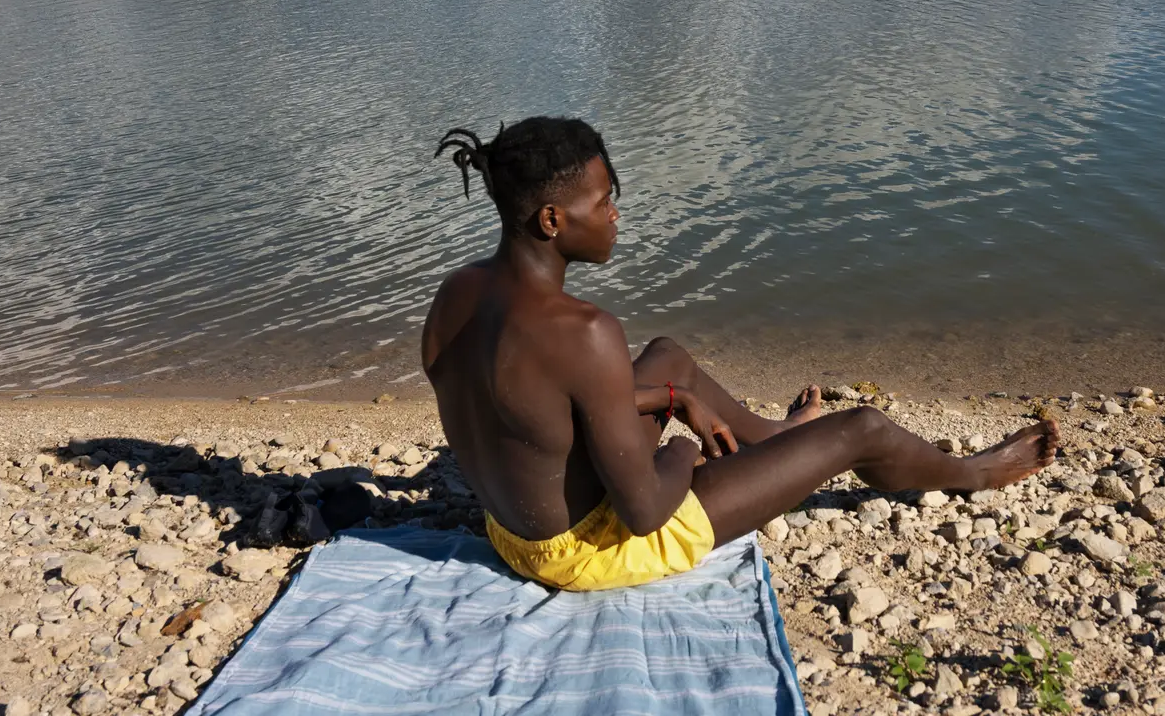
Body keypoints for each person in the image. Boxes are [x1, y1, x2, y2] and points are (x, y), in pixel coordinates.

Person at [422, 117, 1061, 592]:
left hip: (511, 531)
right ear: (552, 221)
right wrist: (681, 452)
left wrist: (674, 397)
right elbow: (643, 513)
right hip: (589, 550)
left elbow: (531, 407)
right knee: (861, 428)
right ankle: (973, 473)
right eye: (604, 201)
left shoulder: (457, 292)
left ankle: (778, 436)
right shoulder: (585, 331)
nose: (616, 214)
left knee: (668, 358)